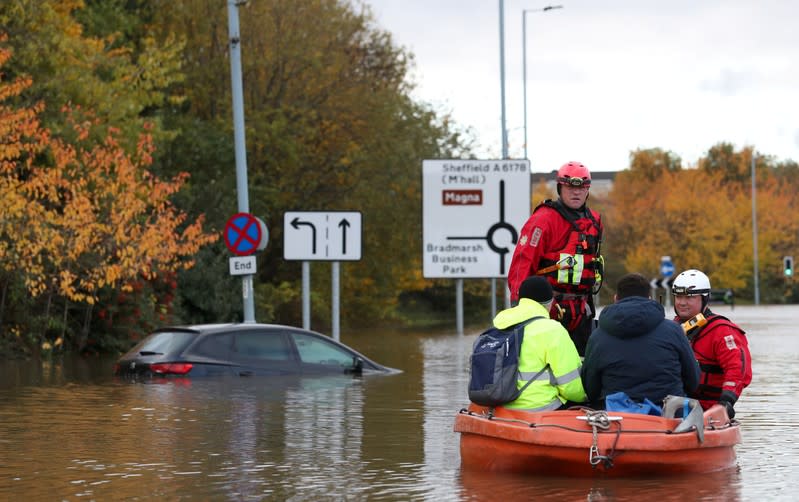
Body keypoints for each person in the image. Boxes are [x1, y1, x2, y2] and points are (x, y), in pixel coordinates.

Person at [507, 161, 604, 356]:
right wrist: (518, 308)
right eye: (570, 187)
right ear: (560, 188)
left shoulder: (594, 221)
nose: (576, 192)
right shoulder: (543, 220)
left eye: (581, 188)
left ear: (587, 190)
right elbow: (522, 263)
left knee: (583, 368)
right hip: (549, 312)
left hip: (581, 310)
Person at [581, 273, 700, 411]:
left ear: (615, 299)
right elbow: (693, 381)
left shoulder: (597, 337)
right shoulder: (674, 331)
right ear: (649, 299)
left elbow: (591, 389)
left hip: (619, 420)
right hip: (669, 418)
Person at [494, 275, 586, 411]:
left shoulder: (499, 324)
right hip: (540, 407)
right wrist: (586, 397)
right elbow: (571, 388)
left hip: (500, 405)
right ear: (550, 302)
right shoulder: (553, 330)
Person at [672, 269, 752, 418]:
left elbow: (738, 369)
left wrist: (726, 403)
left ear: (704, 299)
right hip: (672, 405)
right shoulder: (670, 328)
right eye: (678, 296)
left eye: (689, 298)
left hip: (707, 410)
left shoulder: (722, 331)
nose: (682, 302)